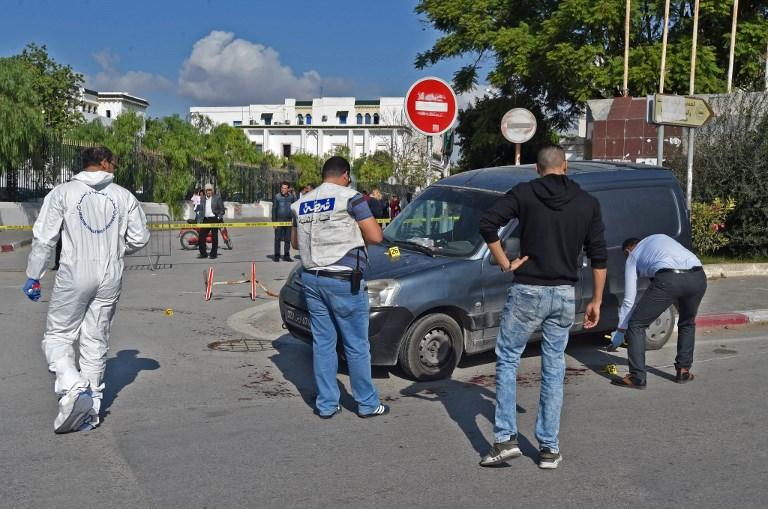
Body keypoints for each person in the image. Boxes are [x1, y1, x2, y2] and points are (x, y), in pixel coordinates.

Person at [477, 145, 607, 469]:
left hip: (527, 291)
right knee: (554, 367)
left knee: (508, 359)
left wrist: (505, 261)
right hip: (564, 294)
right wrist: (596, 300)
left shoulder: (524, 193)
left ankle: (506, 439)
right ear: (566, 167)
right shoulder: (587, 204)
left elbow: (487, 223)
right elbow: (599, 256)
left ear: (537, 169)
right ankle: (549, 448)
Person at [23, 146, 149, 433]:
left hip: (75, 270)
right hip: (110, 273)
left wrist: (34, 275)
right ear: (102, 162)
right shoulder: (123, 195)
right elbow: (140, 237)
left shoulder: (63, 193)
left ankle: (73, 386)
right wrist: (117, 249)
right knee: (95, 340)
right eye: (113, 161)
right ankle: (90, 411)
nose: (115, 166)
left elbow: (45, 238)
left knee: (58, 335)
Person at [290, 156, 389, 419]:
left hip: (311, 279)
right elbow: (375, 236)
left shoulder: (301, 203)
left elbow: (295, 244)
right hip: (344, 280)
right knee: (356, 344)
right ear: (345, 174)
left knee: (323, 343)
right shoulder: (351, 197)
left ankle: (326, 404)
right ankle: (367, 404)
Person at [609, 234, 707, 389]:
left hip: (669, 279)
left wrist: (621, 330)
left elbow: (629, 300)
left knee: (636, 324)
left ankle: (637, 377)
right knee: (687, 322)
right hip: (698, 276)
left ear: (628, 251)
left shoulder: (632, 256)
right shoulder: (660, 239)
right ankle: (683, 371)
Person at [197, 183, 225, 259]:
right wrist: (199, 221)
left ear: (212, 191)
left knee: (214, 237)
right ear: (205, 191)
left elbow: (222, 210)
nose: (208, 192)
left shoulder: (217, 197)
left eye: (210, 190)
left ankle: (213, 254)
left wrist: (218, 217)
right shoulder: (202, 198)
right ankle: (203, 254)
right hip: (205, 220)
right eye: (207, 190)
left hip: (214, 219)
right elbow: (201, 211)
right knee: (201, 237)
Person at [272, 181, 296, 262]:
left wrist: (294, 194)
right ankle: (277, 255)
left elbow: (295, 205)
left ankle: (286, 255)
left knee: (287, 239)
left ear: (288, 189)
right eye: (282, 188)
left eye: (285, 188)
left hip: (289, 220)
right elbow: (274, 210)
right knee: (277, 238)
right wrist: (274, 222)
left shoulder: (291, 197)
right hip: (279, 220)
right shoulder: (277, 197)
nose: (283, 189)